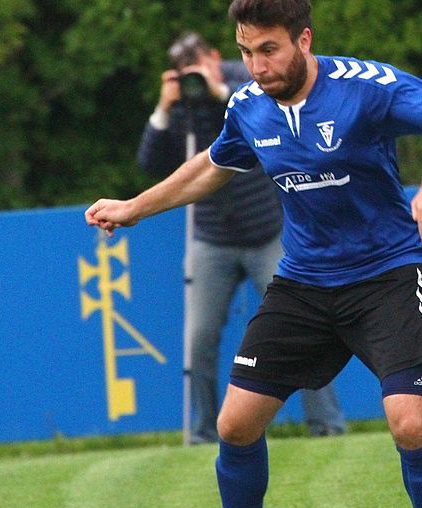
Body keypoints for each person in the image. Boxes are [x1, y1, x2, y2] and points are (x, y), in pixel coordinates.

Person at [86, 0, 422, 508]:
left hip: (385, 274)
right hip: (305, 282)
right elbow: (211, 166)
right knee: (235, 423)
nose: (257, 66)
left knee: (410, 423)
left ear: (304, 40)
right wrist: (135, 208)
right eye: (246, 52)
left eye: (268, 50)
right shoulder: (249, 106)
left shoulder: (364, 86)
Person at [137, 31, 346, 443]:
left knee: (303, 326)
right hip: (211, 238)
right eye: (184, 71)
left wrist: (218, 92)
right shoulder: (181, 105)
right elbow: (151, 164)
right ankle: (203, 432)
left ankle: (326, 424)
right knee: (199, 337)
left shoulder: (247, 79)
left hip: (267, 233)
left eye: (198, 66)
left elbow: (269, 109)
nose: (194, 77)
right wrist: (163, 110)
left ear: (214, 58)